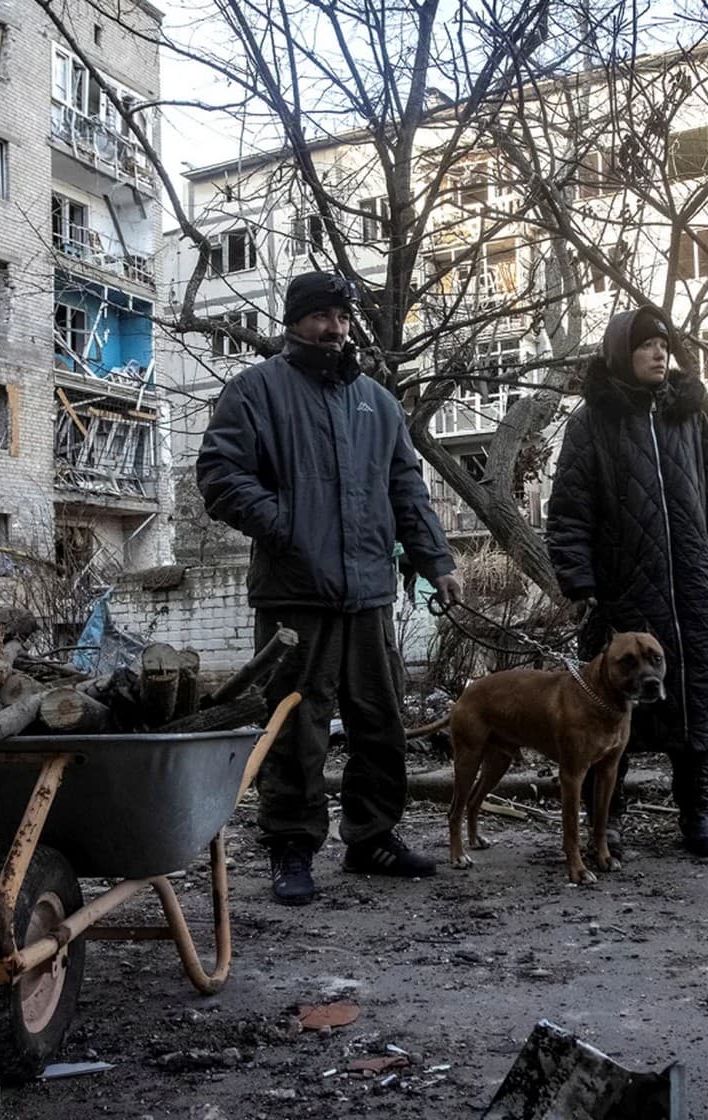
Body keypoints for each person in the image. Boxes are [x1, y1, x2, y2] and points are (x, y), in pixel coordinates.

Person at [196, 270, 464, 906]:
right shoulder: (256, 391)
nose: (334, 327)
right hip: (295, 594)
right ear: (294, 322)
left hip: (369, 591)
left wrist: (437, 561)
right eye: (321, 316)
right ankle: (292, 844)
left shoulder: (376, 401)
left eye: (342, 317)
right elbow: (218, 474)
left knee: (380, 721)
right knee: (295, 726)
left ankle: (373, 836)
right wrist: (285, 524)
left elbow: (407, 490)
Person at [545, 307, 708, 857]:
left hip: (691, 592)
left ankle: (698, 815)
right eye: (647, 346)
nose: (660, 353)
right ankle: (606, 822)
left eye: (664, 344)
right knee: (608, 708)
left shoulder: (690, 418)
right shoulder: (591, 423)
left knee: (698, 703)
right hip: (622, 591)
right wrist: (578, 578)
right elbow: (569, 510)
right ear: (621, 354)